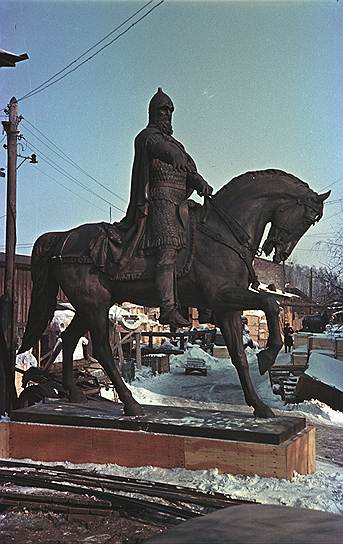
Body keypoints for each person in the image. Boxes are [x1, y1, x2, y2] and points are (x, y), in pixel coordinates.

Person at [117, 88, 213, 328]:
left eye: (170, 110)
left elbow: (187, 169)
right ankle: (168, 309)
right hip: (160, 201)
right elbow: (156, 147)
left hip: (182, 203)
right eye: (162, 110)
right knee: (168, 248)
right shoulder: (147, 137)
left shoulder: (177, 144)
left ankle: (207, 304)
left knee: (204, 240)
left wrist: (198, 180)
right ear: (153, 112)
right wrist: (170, 153)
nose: (167, 114)